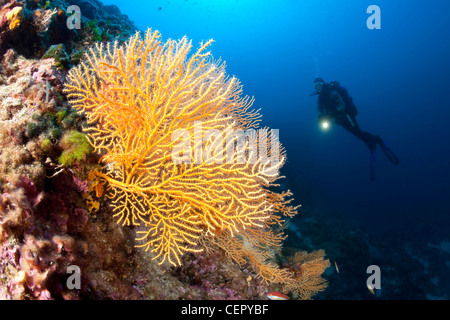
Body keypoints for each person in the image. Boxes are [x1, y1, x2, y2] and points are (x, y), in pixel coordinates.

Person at [311, 77, 399, 181]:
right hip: (341, 120)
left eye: (319, 85)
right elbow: (321, 112)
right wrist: (322, 120)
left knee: (357, 132)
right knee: (357, 134)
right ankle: (371, 143)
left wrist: (337, 112)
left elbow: (341, 102)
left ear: (322, 84)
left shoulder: (331, 91)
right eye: (315, 86)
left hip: (347, 115)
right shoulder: (320, 97)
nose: (317, 87)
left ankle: (376, 141)